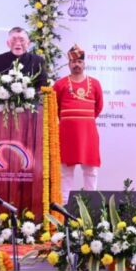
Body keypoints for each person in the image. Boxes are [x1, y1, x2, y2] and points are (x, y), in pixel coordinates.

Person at [52, 45, 104, 204]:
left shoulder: (95, 83)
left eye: (79, 62)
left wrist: (83, 120)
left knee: (91, 170)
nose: (77, 65)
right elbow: (54, 108)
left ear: (84, 63)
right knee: (65, 172)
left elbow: (98, 107)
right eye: (73, 62)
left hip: (88, 133)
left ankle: (91, 207)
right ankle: (63, 206)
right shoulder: (59, 84)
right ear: (69, 64)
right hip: (67, 134)